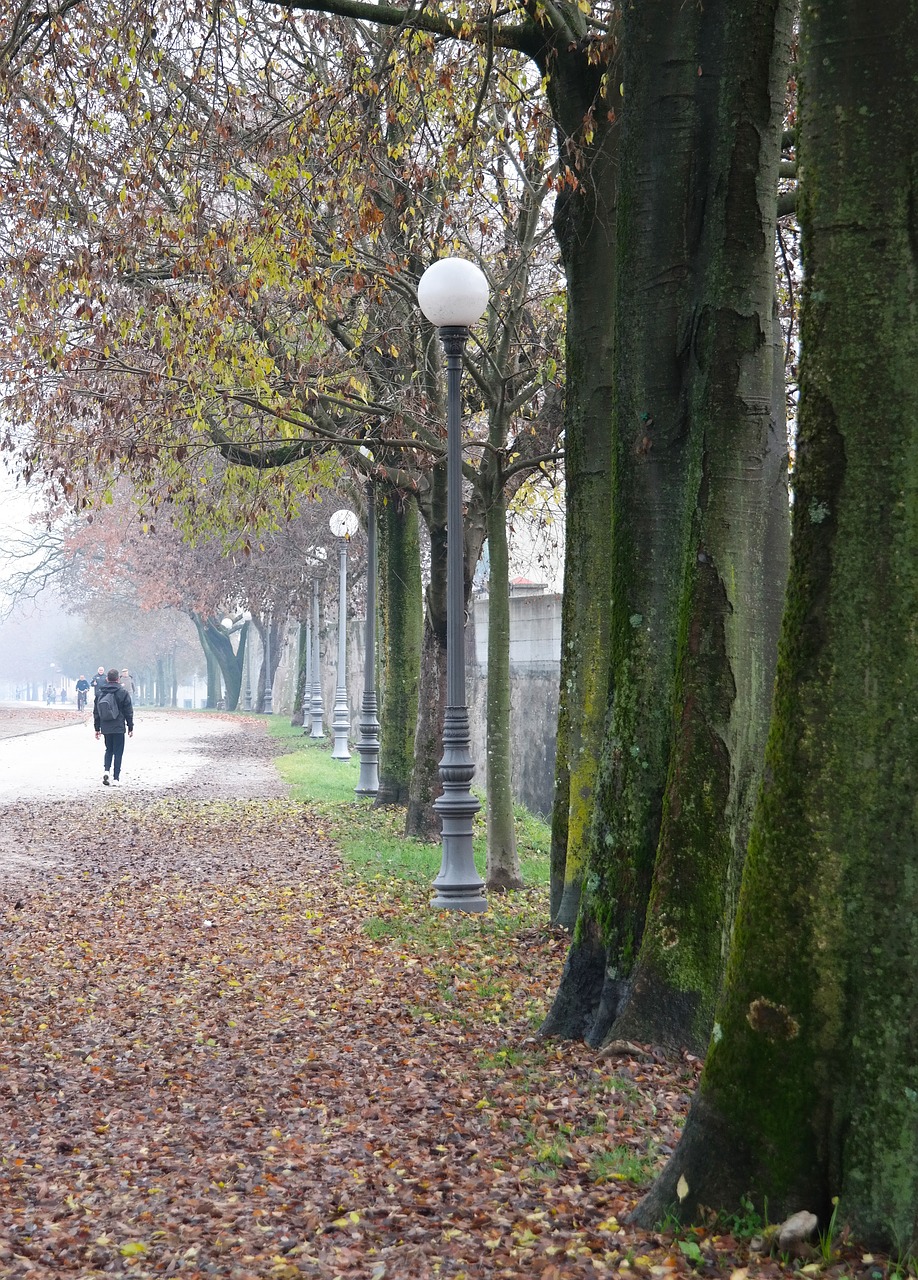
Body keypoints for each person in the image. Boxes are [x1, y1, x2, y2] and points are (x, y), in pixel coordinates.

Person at [93, 668, 134, 786]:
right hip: (119, 726)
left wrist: (97, 728)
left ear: (107, 679)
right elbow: (128, 711)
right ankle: (116, 778)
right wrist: (130, 726)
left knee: (108, 749)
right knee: (118, 752)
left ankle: (106, 771)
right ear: (118, 679)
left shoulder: (100, 693)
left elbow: (96, 712)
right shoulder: (123, 693)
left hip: (106, 726)